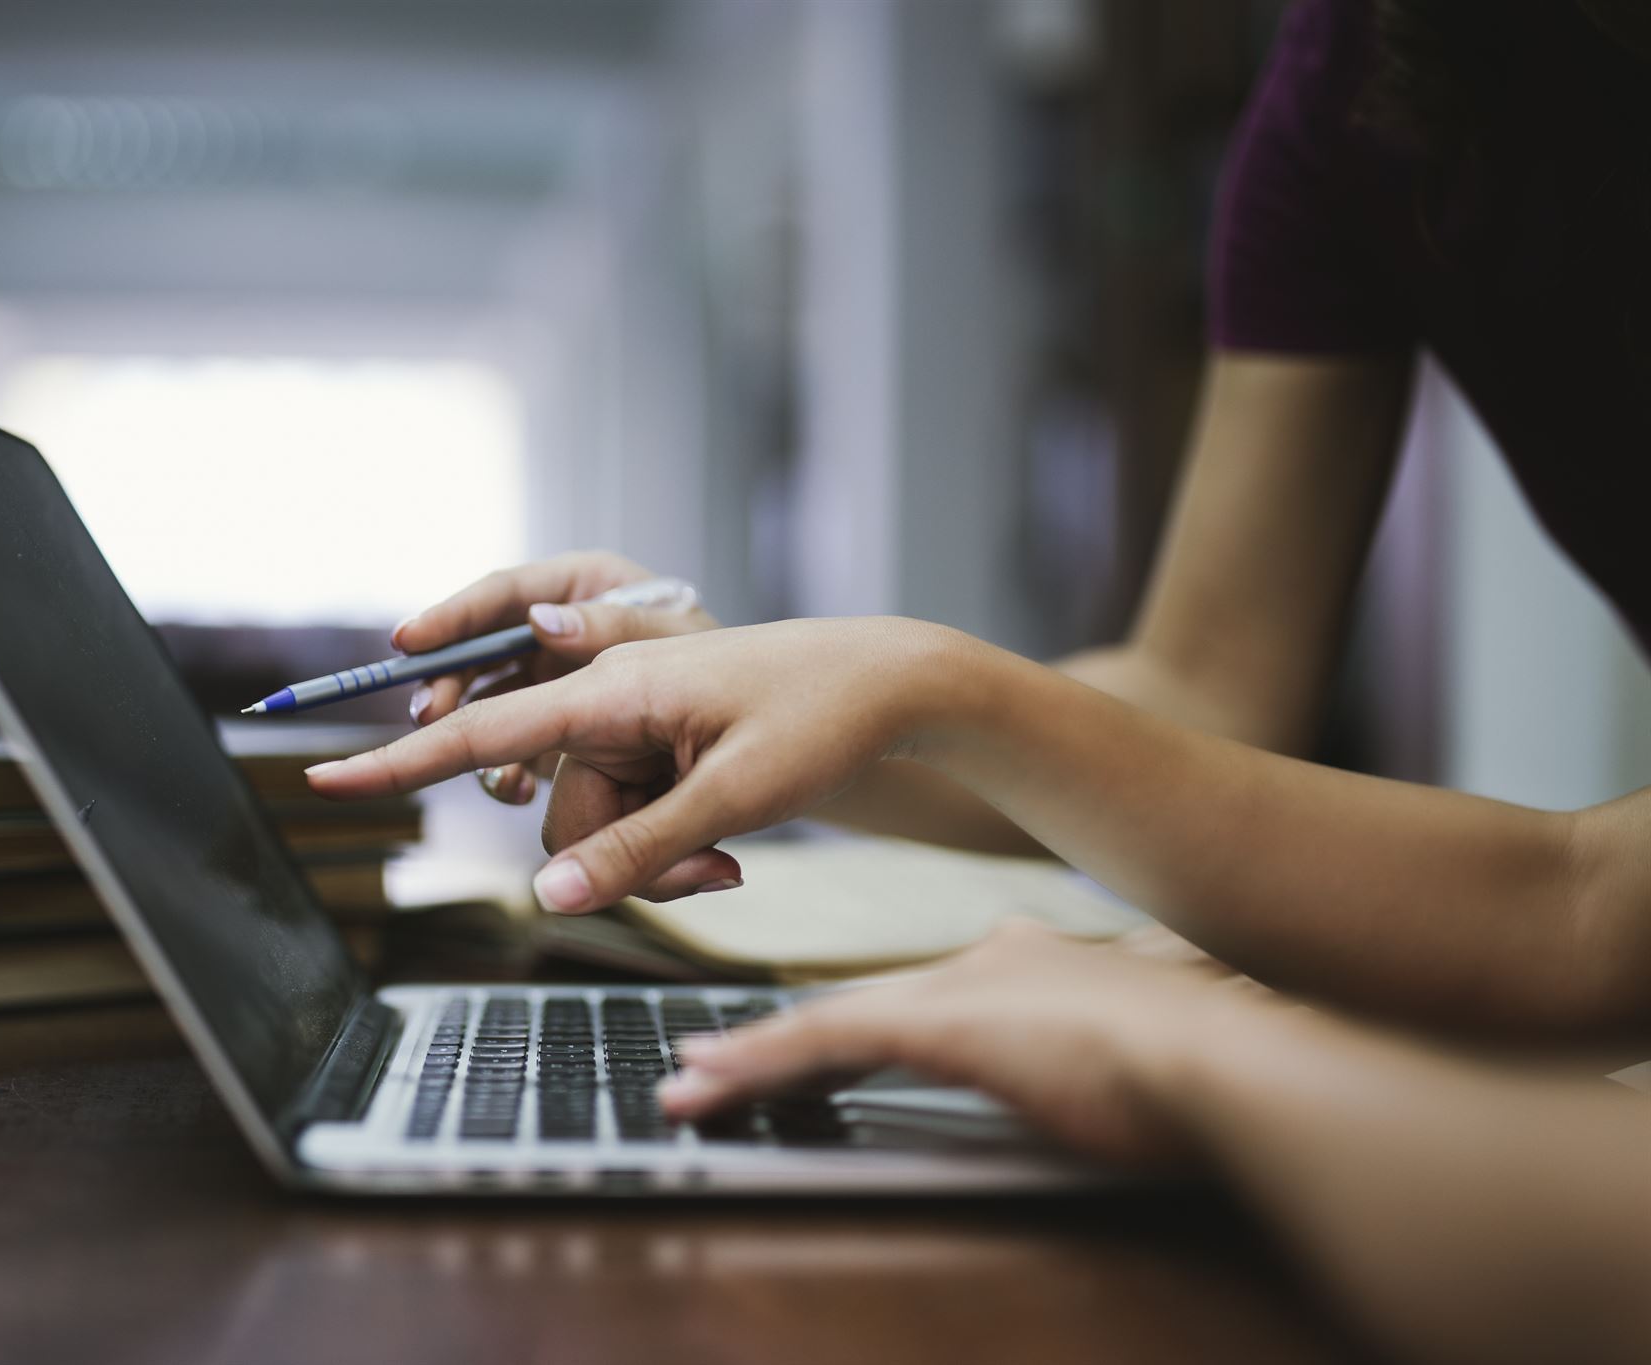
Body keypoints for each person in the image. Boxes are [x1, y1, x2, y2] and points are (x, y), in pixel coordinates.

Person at [306, 2, 1651, 1360]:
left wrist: (1171, 1039)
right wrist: (819, 692)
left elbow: (1594, 909)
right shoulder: (1360, 72)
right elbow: (1207, 690)